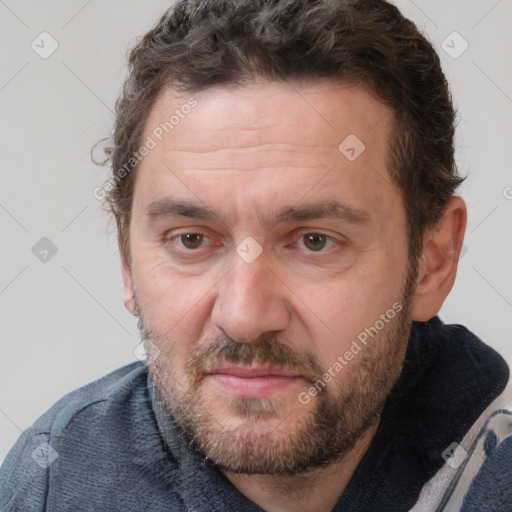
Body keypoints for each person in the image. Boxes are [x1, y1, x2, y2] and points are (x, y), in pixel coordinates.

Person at [1, 0, 510, 510]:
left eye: (314, 241)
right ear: (127, 263)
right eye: (192, 240)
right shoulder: (52, 482)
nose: (244, 317)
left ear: (433, 259)